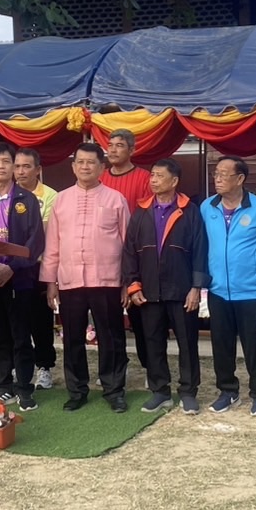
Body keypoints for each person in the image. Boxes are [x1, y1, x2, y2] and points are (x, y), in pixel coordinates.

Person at [40, 142, 131, 412]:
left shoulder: (116, 199)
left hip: (107, 280)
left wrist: (128, 282)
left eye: (91, 162)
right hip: (70, 281)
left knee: (111, 336)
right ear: (73, 167)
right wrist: (50, 282)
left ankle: (114, 390)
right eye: (80, 162)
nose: (85, 167)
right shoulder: (61, 200)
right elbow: (52, 244)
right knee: (72, 338)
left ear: (102, 167)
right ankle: (77, 390)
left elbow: (128, 243)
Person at [124, 157, 208, 414]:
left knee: (187, 343)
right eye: (152, 175)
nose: (153, 180)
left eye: (159, 176)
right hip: (149, 290)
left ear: (174, 181)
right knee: (153, 343)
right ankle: (160, 392)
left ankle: (188, 392)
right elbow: (129, 252)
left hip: (182, 290)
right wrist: (133, 285)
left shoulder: (190, 210)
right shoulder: (141, 211)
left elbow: (200, 250)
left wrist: (196, 287)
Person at [201, 156, 256, 416]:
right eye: (216, 174)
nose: (218, 178)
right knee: (221, 345)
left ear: (240, 179)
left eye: (224, 174)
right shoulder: (207, 207)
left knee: (254, 345)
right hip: (218, 290)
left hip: (251, 291)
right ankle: (228, 391)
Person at [0, 143, 45, 409]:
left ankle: (24, 389)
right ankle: (3, 386)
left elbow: (35, 241)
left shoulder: (27, 200)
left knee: (21, 336)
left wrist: (11, 267)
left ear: (14, 167)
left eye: (6, 161)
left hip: (18, 279)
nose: (1, 166)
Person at [101, 127, 152, 375]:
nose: (112, 150)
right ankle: (115, 368)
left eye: (119, 145)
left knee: (141, 318)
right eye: (110, 145)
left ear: (132, 150)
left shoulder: (144, 179)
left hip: (136, 259)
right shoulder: (99, 178)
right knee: (108, 318)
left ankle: (150, 368)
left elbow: (148, 219)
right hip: (105, 259)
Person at [13, 147, 57, 390]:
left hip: (38, 267)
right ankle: (20, 365)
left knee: (40, 321)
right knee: (16, 320)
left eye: (26, 166)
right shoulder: (6, 194)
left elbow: (44, 233)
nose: (21, 171)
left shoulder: (50, 196)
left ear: (38, 169)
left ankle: (44, 367)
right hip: (11, 268)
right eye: (17, 166)